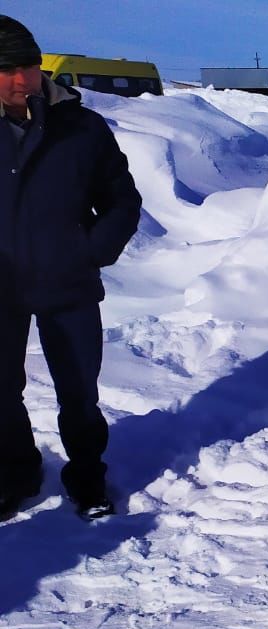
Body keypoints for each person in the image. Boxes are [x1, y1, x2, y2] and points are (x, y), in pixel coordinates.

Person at [0, 15, 141, 520]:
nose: (22, 79)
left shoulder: (80, 126)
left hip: (68, 283)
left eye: (30, 66)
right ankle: (16, 471)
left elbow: (122, 200)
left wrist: (90, 251)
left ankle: (86, 477)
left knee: (79, 393)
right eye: (7, 69)